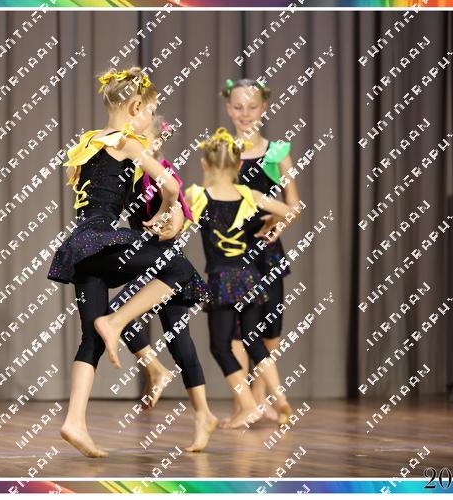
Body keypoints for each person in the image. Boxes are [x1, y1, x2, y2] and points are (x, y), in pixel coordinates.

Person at [46, 67, 195, 457]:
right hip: (102, 238)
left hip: (79, 246)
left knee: (90, 338)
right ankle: (116, 321)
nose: (151, 119)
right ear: (136, 106)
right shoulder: (127, 141)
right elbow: (170, 184)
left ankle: (74, 421)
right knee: (180, 269)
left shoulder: (87, 142)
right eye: (151, 111)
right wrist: (165, 211)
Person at [107, 115, 217, 451]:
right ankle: (201, 411)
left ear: (155, 143)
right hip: (154, 263)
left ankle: (164, 378)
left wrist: (174, 219)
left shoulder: (162, 172)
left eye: (139, 139)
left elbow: (179, 207)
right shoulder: (133, 173)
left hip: (166, 265)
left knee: (121, 314)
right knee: (179, 342)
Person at [184, 127, 295, 428]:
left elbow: (175, 223)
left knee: (220, 346)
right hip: (251, 278)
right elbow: (290, 210)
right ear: (238, 165)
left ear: (205, 164)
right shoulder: (250, 195)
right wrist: (273, 221)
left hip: (222, 280)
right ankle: (280, 398)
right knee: (254, 341)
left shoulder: (197, 196)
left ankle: (248, 405)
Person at [222, 78, 302, 421]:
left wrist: (277, 223)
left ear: (264, 108)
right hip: (232, 251)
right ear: (229, 109)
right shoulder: (222, 151)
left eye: (252, 107)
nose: (245, 113)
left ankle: (260, 397)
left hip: (266, 251)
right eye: (238, 107)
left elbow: (294, 204)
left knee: (270, 330)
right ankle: (245, 405)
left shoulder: (277, 152)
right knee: (236, 331)